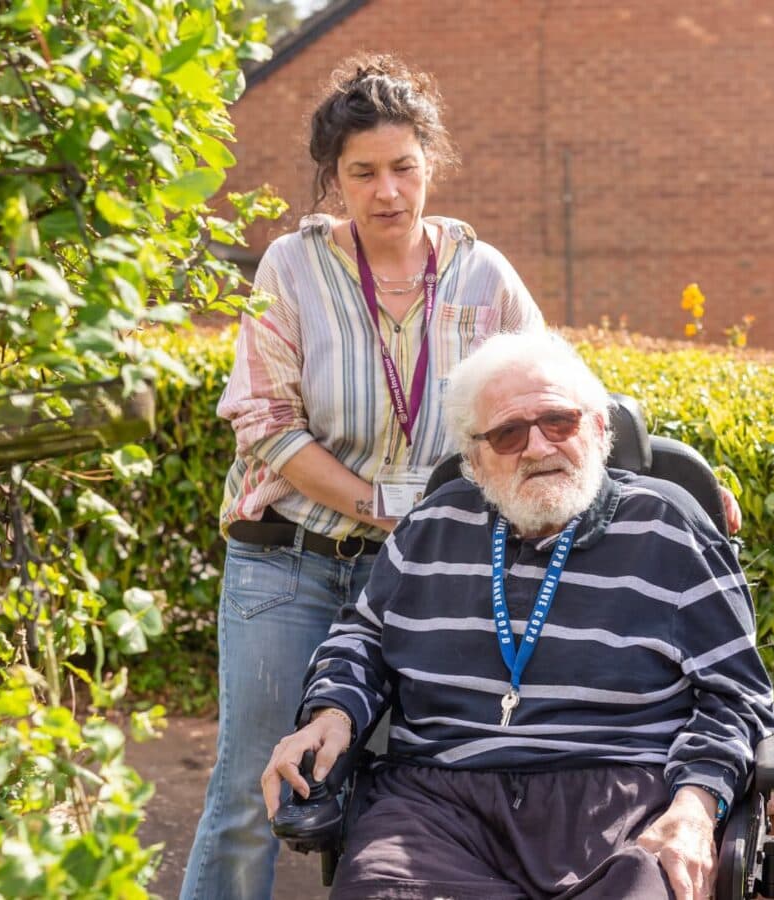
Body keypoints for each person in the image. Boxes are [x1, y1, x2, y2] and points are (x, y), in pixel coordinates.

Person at [180, 55, 545, 900]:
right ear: (333, 180)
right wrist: (379, 505)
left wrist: (662, 470)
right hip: (291, 562)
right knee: (253, 790)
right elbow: (265, 423)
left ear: (432, 164)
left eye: (404, 168)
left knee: (407, 792)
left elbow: (552, 386)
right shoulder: (291, 270)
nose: (388, 192)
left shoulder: (481, 275)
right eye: (364, 173)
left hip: (424, 577)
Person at [262, 331, 774, 900]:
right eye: (508, 433)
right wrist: (331, 714)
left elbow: (737, 695)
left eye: (559, 421)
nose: (537, 447)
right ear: (475, 461)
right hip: (437, 809)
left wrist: (696, 804)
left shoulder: (668, 528)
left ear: (599, 429)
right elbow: (362, 639)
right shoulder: (431, 528)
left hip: (621, 807)